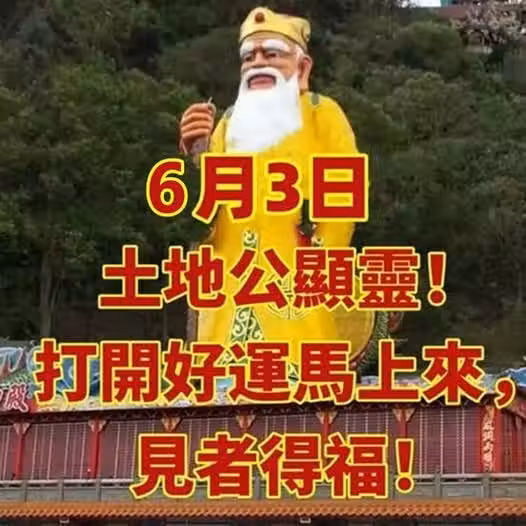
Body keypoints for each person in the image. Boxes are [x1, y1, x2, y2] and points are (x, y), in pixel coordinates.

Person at [179, 6, 375, 369]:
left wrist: (318, 261)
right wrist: (195, 155)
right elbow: (201, 217)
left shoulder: (320, 113)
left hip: (295, 286)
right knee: (221, 389)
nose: (258, 63)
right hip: (230, 290)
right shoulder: (227, 125)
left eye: (271, 54)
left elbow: (342, 199)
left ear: (302, 68)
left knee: (299, 382)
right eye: (248, 57)